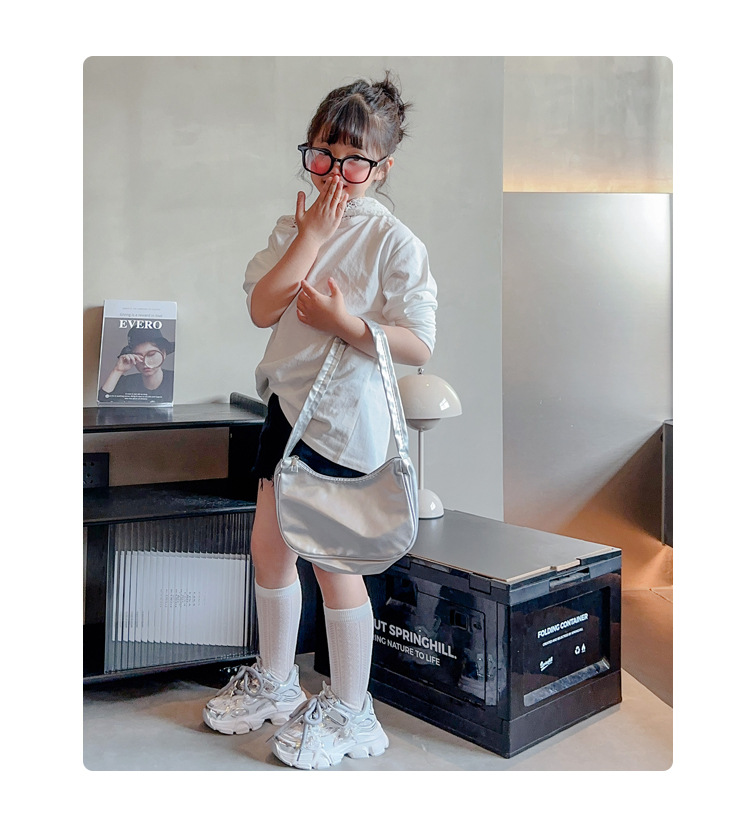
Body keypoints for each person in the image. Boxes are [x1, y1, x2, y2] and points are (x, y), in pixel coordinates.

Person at [203, 73, 437, 770]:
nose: (336, 174)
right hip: (286, 409)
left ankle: (353, 711)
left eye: (354, 161)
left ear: (382, 167)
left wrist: (345, 322)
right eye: (323, 155)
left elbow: (420, 344)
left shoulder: (395, 242)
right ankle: (277, 682)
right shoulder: (294, 225)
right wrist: (310, 236)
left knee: (336, 564)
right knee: (271, 547)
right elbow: (263, 308)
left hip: (344, 422)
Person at [98, 326, 175, 404]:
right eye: (138, 356)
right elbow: (101, 402)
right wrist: (117, 370)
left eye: (151, 354)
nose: (145, 362)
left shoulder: (174, 380)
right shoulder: (125, 383)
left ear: (163, 354)